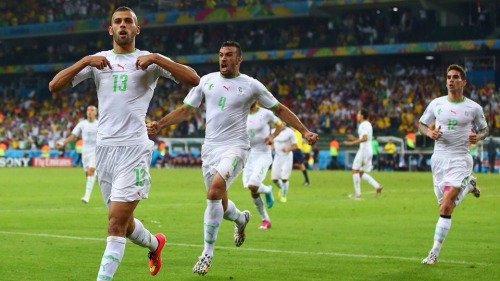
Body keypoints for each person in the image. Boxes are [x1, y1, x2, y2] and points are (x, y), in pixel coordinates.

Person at [48, 6, 200, 280]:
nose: (122, 25)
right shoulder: (98, 61)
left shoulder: (149, 59)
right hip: (104, 150)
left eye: (128, 21)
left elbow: (194, 80)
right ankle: (155, 243)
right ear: (110, 29)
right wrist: (84, 61)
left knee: (115, 222)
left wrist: (157, 58)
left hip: (134, 149)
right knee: (125, 224)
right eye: (117, 21)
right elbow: (54, 86)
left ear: (136, 29)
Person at [146, 41, 318, 276]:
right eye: (220, 55)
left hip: (236, 148)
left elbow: (279, 109)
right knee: (222, 206)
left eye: (228, 55)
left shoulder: (251, 86)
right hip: (210, 150)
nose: (223, 59)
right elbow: (186, 110)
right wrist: (160, 124)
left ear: (239, 60)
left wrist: (304, 130)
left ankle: (207, 253)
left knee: (214, 192)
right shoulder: (206, 81)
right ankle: (241, 219)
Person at [418, 64, 488, 265]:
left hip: (460, 159)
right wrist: (429, 133)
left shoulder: (474, 108)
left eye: (455, 77)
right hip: (439, 160)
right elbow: (421, 124)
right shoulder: (436, 104)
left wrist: (478, 136)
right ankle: (470, 185)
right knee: (443, 205)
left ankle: (433, 253)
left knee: (446, 206)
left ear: (463, 82)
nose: (451, 80)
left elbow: (485, 130)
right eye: (449, 77)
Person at [243, 100, 283, 230]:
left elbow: (280, 125)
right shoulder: (241, 114)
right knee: (251, 189)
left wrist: (272, 137)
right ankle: (265, 220)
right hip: (249, 155)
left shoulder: (266, 114)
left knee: (253, 185)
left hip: (263, 154)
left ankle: (267, 190)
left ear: (256, 99)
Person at [56, 105, 98, 203]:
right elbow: (73, 136)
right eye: (88, 110)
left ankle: (86, 197)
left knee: (91, 171)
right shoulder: (82, 124)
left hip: (96, 151)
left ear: (96, 113)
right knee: (88, 174)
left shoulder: (99, 124)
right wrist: (62, 143)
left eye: (92, 110)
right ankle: (96, 175)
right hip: (85, 152)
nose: (90, 112)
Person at [343, 108, 383, 199]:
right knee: (360, 172)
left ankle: (357, 194)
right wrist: (354, 138)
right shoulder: (367, 124)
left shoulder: (363, 125)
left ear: (362, 116)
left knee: (354, 170)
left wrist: (352, 143)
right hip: (368, 150)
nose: (357, 115)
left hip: (364, 150)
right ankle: (377, 186)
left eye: (358, 114)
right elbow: (365, 138)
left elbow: (364, 138)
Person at [271, 123, 298, 203]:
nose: (281, 124)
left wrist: (288, 148)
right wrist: (271, 148)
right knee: (274, 179)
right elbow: (272, 143)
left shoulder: (290, 132)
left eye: (283, 122)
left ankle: (283, 196)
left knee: (284, 178)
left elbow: (295, 145)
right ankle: (282, 188)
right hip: (277, 157)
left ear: (285, 123)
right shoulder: (273, 131)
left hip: (287, 157)